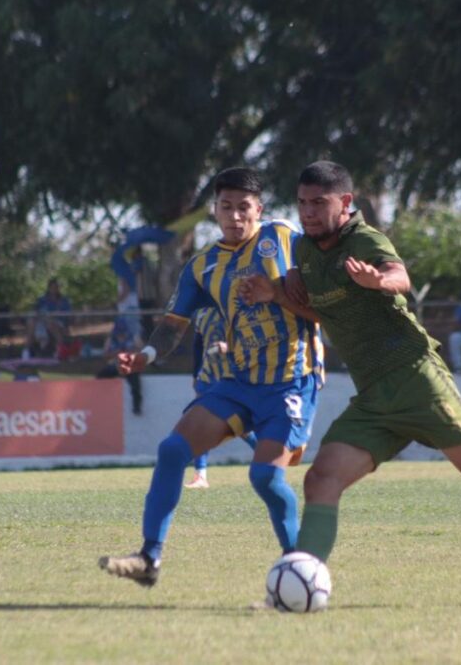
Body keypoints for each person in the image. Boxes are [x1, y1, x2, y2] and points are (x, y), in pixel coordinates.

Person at [240, 160, 461, 581]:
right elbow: (323, 313)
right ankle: (302, 582)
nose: (308, 212)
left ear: (346, 202)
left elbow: (401, 276)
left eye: (319, 203)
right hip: (374, 397)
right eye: (302, 203)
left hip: (416, 378)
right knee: (321, 480)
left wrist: (381, 281)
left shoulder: (365, 239)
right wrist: (275, 294)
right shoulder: (303, 250)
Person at [98, 167, 324, 588]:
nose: (235, 216)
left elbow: (322, 289)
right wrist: (146, 355)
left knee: (264, 476)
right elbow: (172, 326)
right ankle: (149, 558)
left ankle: (301, 565)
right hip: (239, 382)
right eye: (226, 207)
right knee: (171, 450)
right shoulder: (202, 266)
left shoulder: (285, 238)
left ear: (259, 209)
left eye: (244, 207)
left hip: (292, 380)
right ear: (214, 212)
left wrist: (279, 291)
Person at [184, 305, 259, 489]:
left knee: (240, 427)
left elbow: (254, 340)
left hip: (232, 376)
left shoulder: (237, 309)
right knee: (200, 423)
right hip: (208, 377)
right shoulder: (201, 312)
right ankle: (200, 475)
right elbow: (198, 345)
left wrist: (229, 347)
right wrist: (195, 375)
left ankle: (268, 457)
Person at [96, 284, 144, 415]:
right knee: (101, 375)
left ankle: (137, 407)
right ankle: (102, 402)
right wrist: (115, 353)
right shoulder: (111, 339)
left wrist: (131, 353)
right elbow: (105, 354)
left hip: (128, 363)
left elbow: (140, 351)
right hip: (114, 364)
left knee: (135, 381)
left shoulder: (133, 337)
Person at [23, 278, 71, 359]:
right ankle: (26, 351)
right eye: (52, 287)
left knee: (50, 323)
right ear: (49, 288)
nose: (54, 289)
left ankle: (61, 350)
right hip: (42, 322)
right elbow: (35, 311)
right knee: (32, 322)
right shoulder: (42, 300)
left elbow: (67, 315)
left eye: (56, 287)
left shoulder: (64, 300)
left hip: (59, 322)